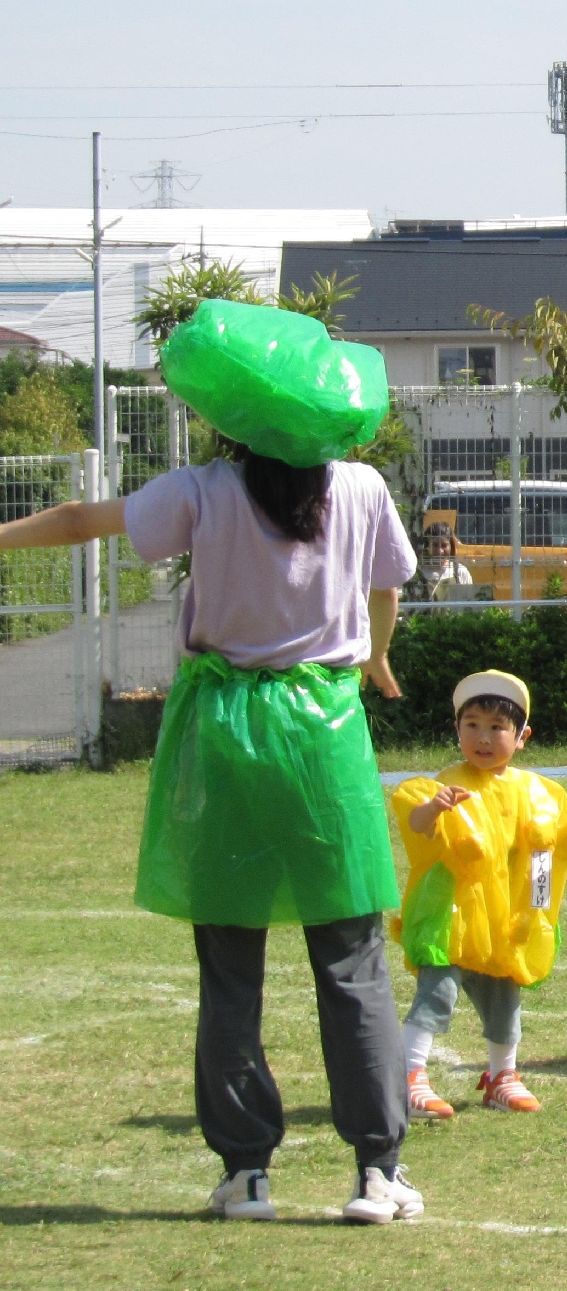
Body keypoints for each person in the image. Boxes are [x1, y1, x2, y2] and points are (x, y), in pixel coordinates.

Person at [0, 300, 426, 1223]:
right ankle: (377, 1173)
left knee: (230, 959)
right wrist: (378, 658)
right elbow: (385, 587)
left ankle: (247, 1174)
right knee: (350, 957)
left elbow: (83, 518)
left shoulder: (201, 490)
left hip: (224, 730)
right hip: (323, 730)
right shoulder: (360, 487)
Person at [390, 670, 567, 1118]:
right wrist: (434, 807)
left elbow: (554, 840)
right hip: (452, 916)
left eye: (496, 727)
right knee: (438, 992)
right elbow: (417, 824)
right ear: (456, 729)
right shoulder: (446, 784)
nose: (483, 738)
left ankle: (501, 1077)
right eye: (471, 725)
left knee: (504, 1001)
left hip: (504, 921)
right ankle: (409, 1076)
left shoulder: (537, 792)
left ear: (522, 736)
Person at [417, 522, 473, 599]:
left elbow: (469, 604)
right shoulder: (418, 573)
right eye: (435, 545)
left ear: (451, 546)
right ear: (427, 546)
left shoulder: (460, 572)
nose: (440, 551)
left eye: (444, 545)